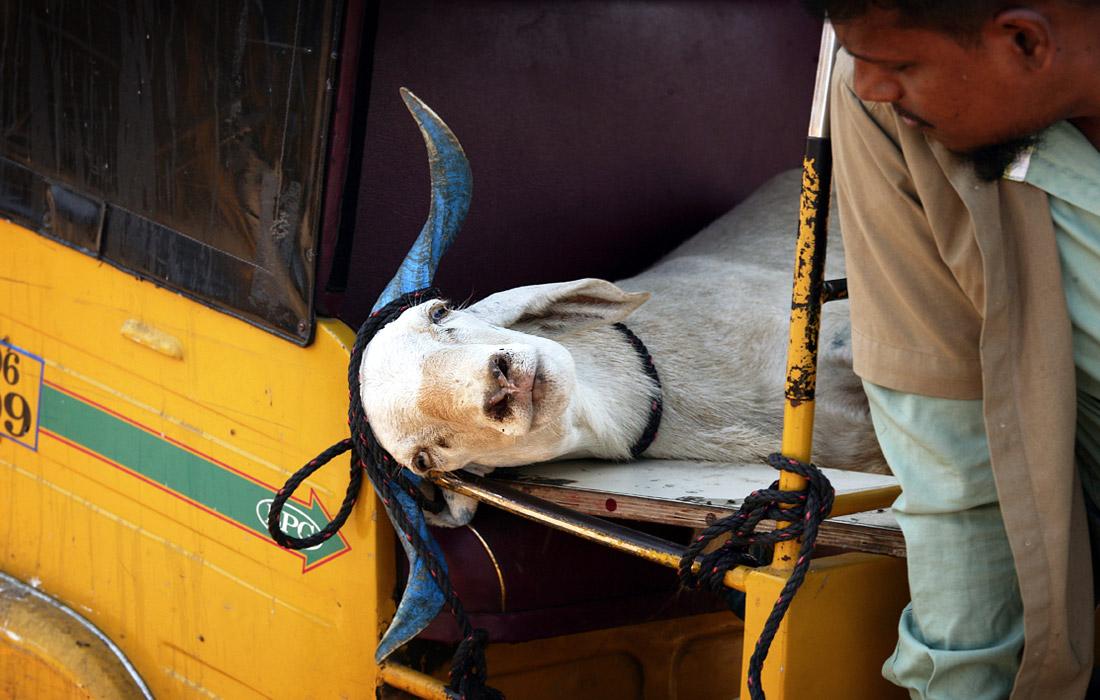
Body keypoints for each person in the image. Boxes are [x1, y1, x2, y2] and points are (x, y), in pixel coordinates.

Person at [794, 2, 1100, 699]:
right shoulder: (882, 107)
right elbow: (953, 456)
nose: (866, 83)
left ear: (1024, 40)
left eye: (900, 64)